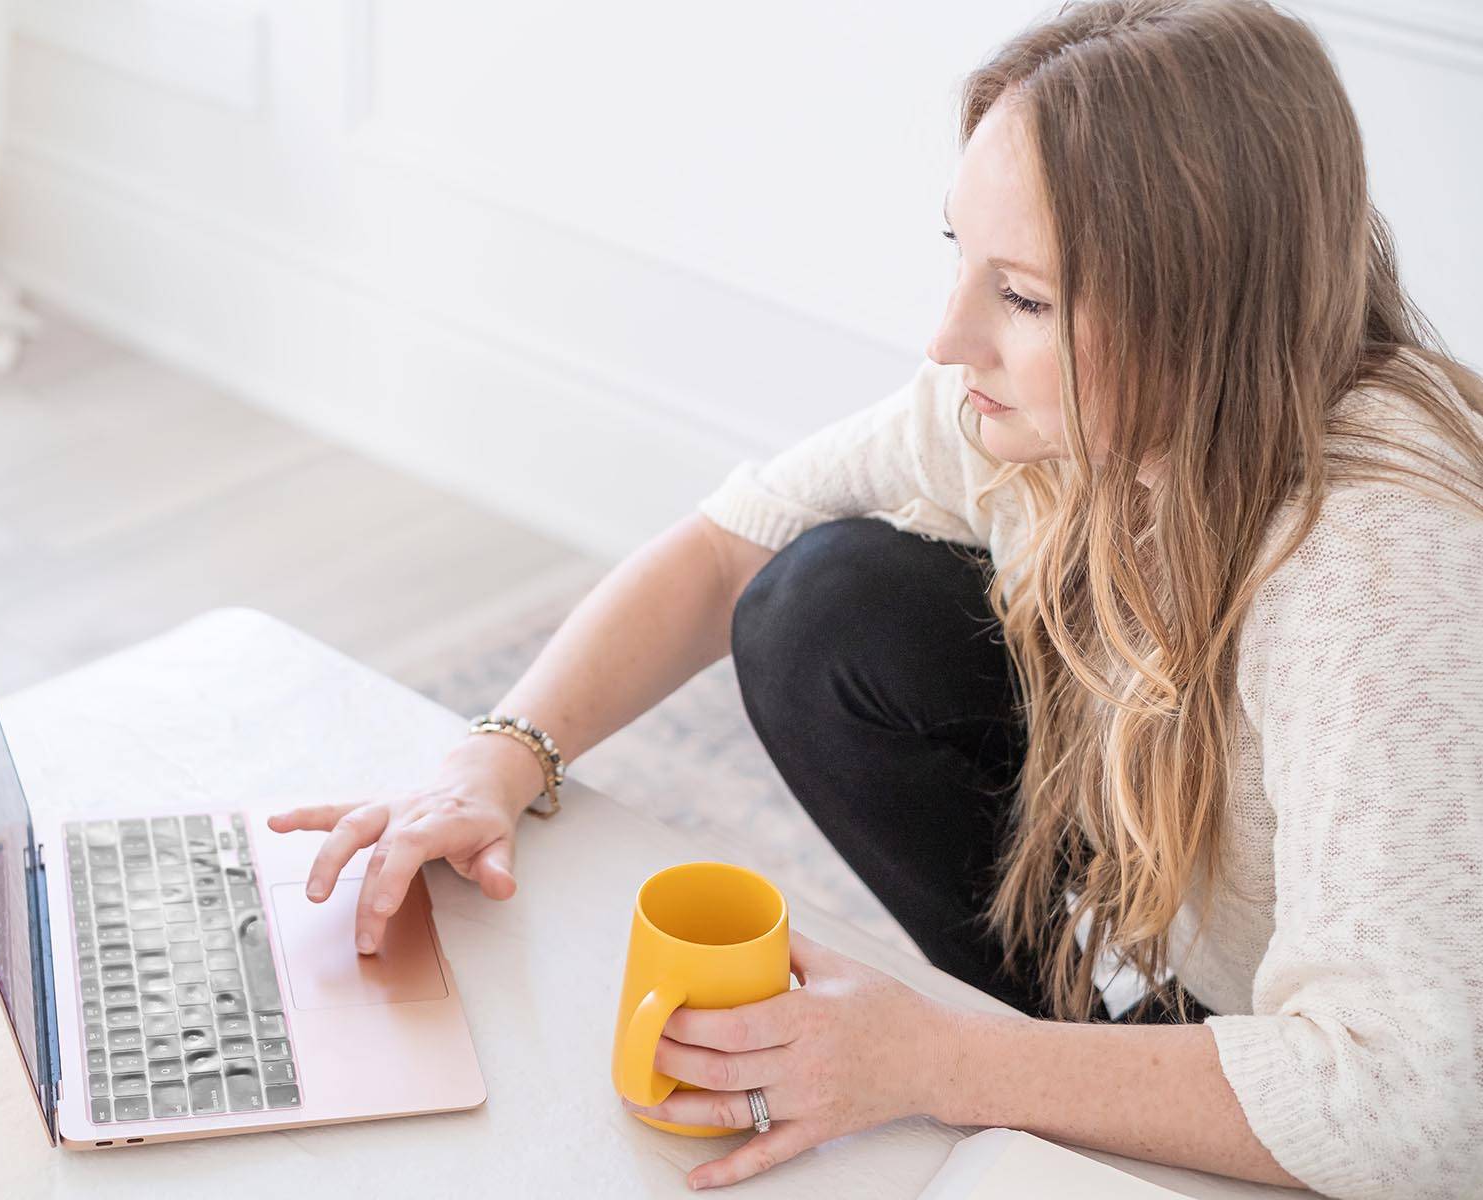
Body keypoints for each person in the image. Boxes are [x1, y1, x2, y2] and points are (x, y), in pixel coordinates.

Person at [268, 0, 1483, 1193]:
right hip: (1215, 970)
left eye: (1025, 298)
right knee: (823, 606)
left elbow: (1422, 1105)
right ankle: (1088, 1058)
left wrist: (939, 1064)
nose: (949, 338)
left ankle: (1086, 1081)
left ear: (1207, 312)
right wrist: (495, 759)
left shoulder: (1372, 569)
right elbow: (729, 548)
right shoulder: (1040, 415)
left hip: (1383, 1047)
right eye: (962, 256)